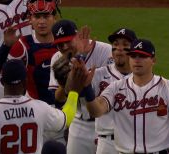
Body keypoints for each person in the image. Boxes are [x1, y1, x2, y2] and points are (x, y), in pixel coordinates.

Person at [85, 38, 169, 154]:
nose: (137, 60)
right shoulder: (115, 88)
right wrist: (87, 88)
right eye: (133, 56)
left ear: (153, 60)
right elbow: (97, 111)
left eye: (142, 56)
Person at [0, 58, 87, 154]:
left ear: (2, 82)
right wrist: (74, 93)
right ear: (25, 82)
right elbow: (67, 118)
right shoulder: (39, 108)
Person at [49, 19, 113, 154]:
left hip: (105, 123)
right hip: (80, 124)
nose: (65, 47)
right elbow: (58, 99)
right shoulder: (57, 58)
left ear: (77, 37)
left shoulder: (105, 51)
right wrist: (68, 74)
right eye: (60, 44)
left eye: (68, 41)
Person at [0, 0, 59, 105]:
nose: (41, 22)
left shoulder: (63, 42)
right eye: (37, 17)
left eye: (46, 16)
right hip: (35, 107)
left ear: (55, 18)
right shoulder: (24, 45)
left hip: (63, 105)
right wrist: (6, 46)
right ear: (30, 19)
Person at [93, 28, 137, 154]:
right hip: (106, 144)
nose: (119, 48)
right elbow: (70, 92)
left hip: (134, 143)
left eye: (125, 45)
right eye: (116, 44)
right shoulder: (98, 75)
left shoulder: (142, 78)